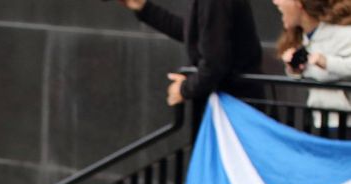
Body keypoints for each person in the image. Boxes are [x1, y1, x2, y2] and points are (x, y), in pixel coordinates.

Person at [115, 0, 264, 108]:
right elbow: (196, 34)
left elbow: (214, 63)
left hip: (234, 111)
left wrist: (184, 89)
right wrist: (144, 7)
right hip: (233, 108)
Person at [275, 0, 351, 128]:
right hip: (319, 119)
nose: (276, 2)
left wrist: (327, 62)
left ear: (298, 4)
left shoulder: (343, 34)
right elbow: (314, 72)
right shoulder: (305, 38)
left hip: (344, 122)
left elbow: (328, 69)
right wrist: (295, 70)